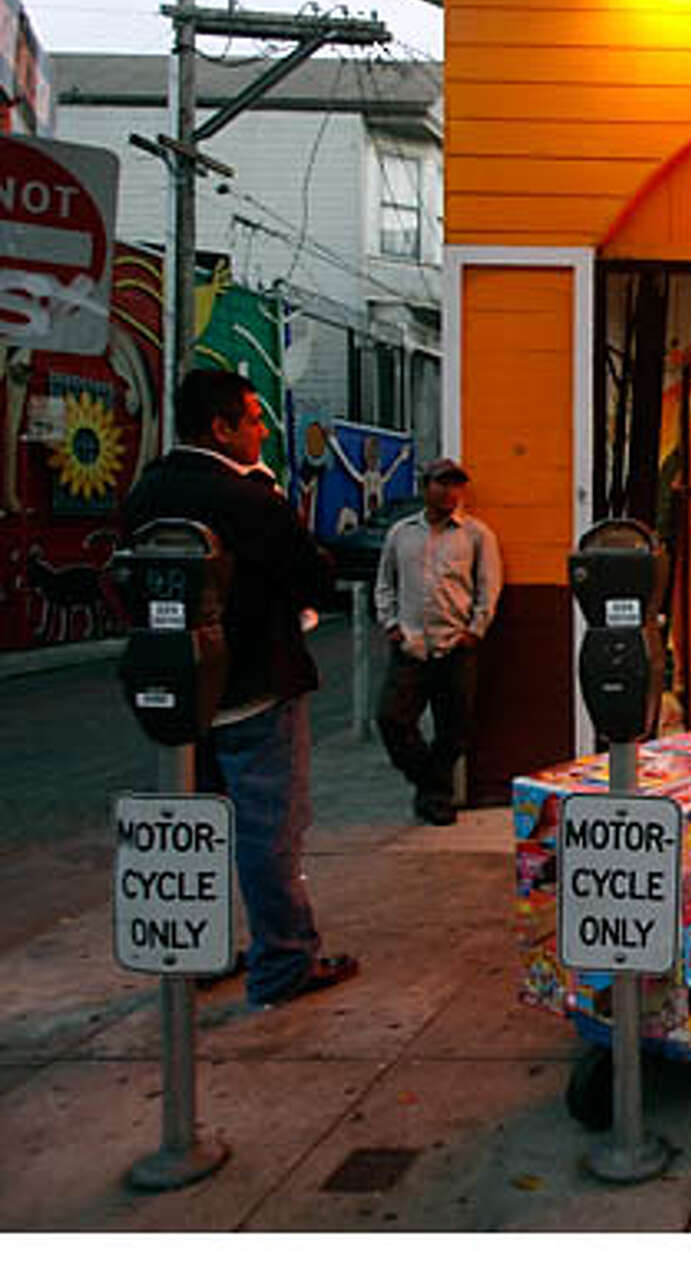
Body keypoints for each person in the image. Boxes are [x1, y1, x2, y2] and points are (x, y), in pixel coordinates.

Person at [122, 369, 357, 1007]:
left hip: (176, 694)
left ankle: (194, 950)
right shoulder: (250, 498)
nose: (262, 431)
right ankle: (284, 962)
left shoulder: (145, 493)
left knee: (193, 826)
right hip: (255, 688)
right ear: (221, 428)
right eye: (253, 419)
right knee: (268, 832)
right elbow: (314, 575)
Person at [374, 456, 502, 825]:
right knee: (391, 719)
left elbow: (488, 586)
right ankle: (430, 783)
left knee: (455, 729)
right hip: (411, 646)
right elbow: (385, 582)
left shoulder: (476, 534)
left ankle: (435, 798)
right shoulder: (401, 533)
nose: (450, 492)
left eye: (456, 484)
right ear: (424, 487)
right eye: (441, 483)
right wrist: (391, 624)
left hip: (455, 645)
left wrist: (474, 631)